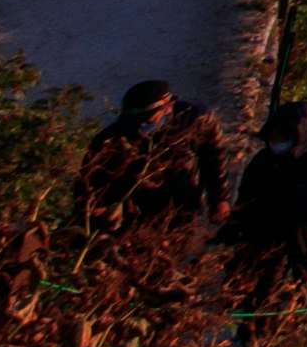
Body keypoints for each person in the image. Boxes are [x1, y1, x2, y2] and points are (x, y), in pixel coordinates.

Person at [217, 102, 307, 314]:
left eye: (283, 136)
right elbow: (245, 202)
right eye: (274, 136)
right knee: (260, 297)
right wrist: (228, 235)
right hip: (266, 238)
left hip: (306, 238)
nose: (278, 142)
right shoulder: (264, 161)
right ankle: (258, 331)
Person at [80, 79, 224, 235]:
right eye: (136, 121)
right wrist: (96, 209)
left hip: (181, 208)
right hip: (134, 218)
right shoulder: (109, 140)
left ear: (167, 107)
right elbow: (88, 184)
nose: (140, 125)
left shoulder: (193, 119)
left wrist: (219, 199)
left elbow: (213, 159)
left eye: (148, 120)